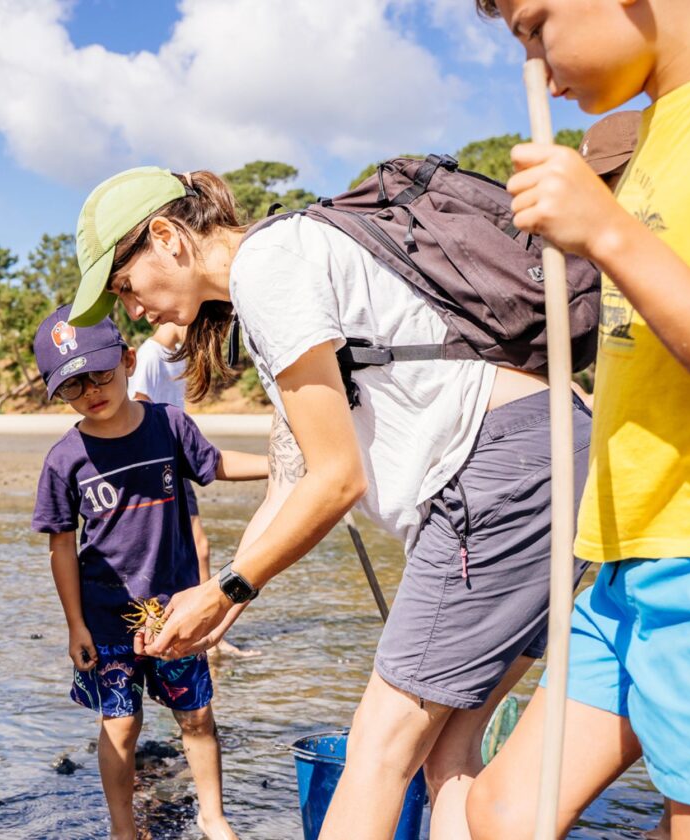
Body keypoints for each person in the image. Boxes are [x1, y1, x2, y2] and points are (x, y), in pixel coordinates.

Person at [65, 166, 592, 840]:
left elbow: (337, 481)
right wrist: (215, 608)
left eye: (125, 287)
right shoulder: (280, 267)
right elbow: (292, 480)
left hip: (498, 473)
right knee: (445, 754)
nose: (132, 311)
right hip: (549, 459)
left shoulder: (269, 267)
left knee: (377, 749)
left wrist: (226, 590)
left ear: (166, 236)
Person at [466, 2, 690, 838]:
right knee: (502, 812)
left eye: (536, 26)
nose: (537, 67)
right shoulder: (652, 132)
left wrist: (610, 233)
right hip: (622, 560)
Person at [31, 305, 266, 840]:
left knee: (198, 718)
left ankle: (213, 816)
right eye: (73, 386)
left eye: (101, 374)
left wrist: (281, 461)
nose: (91, 390)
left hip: (175, 611)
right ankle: (122, 828)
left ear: (128, 359)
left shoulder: (169, 425)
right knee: (120, 726)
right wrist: (75, 626)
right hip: (106, 619)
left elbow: (215, 465)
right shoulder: (64, 459)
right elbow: (61, 547)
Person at [128, 323, 257, 658]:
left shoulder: (178, 357)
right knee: (189, 548)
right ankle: (193, 632)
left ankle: (206, 630)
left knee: (200, 547)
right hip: (158, 469)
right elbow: (137, 406)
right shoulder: (149, 356)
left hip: (178, 462)